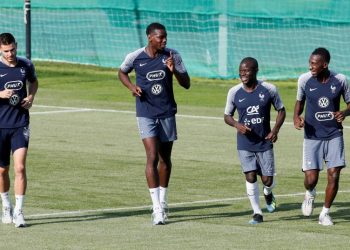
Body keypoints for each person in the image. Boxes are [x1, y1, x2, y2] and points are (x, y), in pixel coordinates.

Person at [118, 23, 190, 225]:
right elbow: (121, 72)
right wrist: (132, 86)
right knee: (151, 156)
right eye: (160, 37)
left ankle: (164, 201)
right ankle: (156, 208)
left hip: (167, 112)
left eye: (165, 37)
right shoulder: (135, 57)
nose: (164, 40)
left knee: (164, 158)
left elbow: (187, 84)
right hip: (146, 113)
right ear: (150, 37)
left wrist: (174, 71)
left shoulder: (172, 55)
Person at [224, 57, 286, 224]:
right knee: (250, 176)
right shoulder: (234, 92)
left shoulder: (269, 89)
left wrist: (275, 130)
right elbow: (227, 116)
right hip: (244, 143)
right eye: (241, 70)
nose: (243, 73)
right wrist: (237, 125)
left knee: (267, 180)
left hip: (264, 141)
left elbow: (281, 110)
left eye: (247, 70)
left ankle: (268, 192)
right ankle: (257, 213)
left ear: (255, 71)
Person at [294, 47, 350, 226]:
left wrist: (345, 112)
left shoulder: (340, 80)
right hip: (312, 135)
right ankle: (310, 193)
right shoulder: (304, 80)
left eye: (314, 63)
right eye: (310, 63)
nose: (310, 66)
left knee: (334, 174)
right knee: (311, 179)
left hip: (334, 134)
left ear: (324, 65)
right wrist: (296, 118)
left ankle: (324, 213)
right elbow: (299, 102)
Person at [0, 33, 38, 228]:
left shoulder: (26, 65)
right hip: (0, 126)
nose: (10, 54)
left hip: (20, 123)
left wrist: (30, 97)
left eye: (13, 49)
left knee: (20, 167)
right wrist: (1, 94)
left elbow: (34, 82)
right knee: (2, 170)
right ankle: (6, 206)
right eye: (6, 51)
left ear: (16, 46)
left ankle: (19, 212)